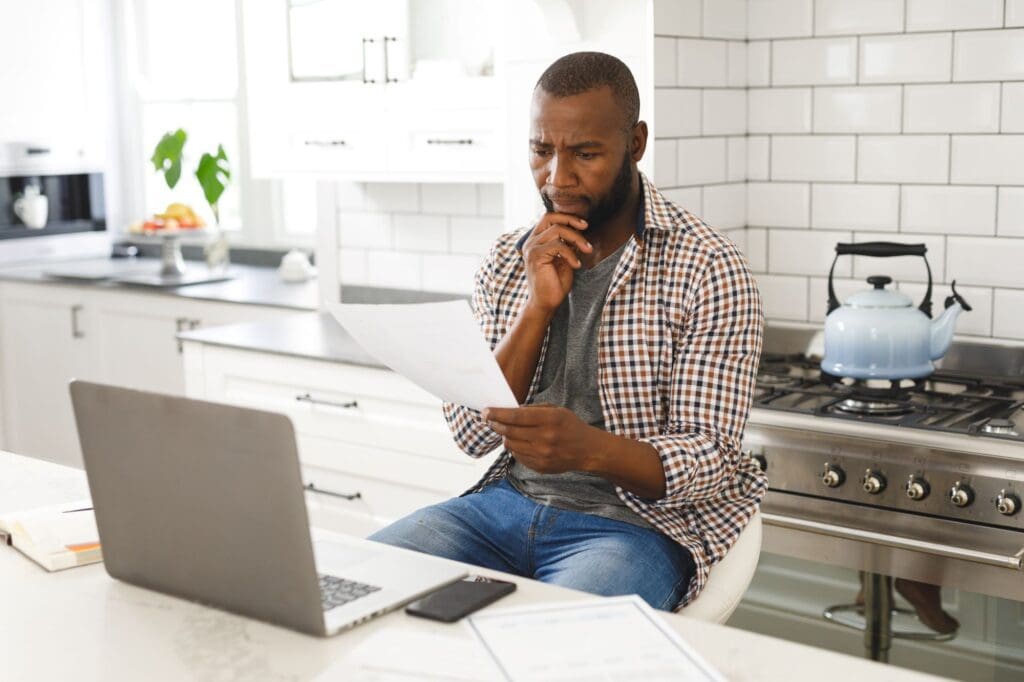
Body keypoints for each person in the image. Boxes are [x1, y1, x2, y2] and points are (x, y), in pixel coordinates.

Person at [369, 51, 765, 612]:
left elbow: (712, 458)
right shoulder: (510, 257)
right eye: (540, 150)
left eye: (584, 153)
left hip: (636, 528)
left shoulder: (709, 267)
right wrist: (537, 306)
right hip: (503, 506)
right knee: (356, 585)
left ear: (635, 143)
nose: (556, 178)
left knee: (552, 642)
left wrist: (591, 449)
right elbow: (470, 433)